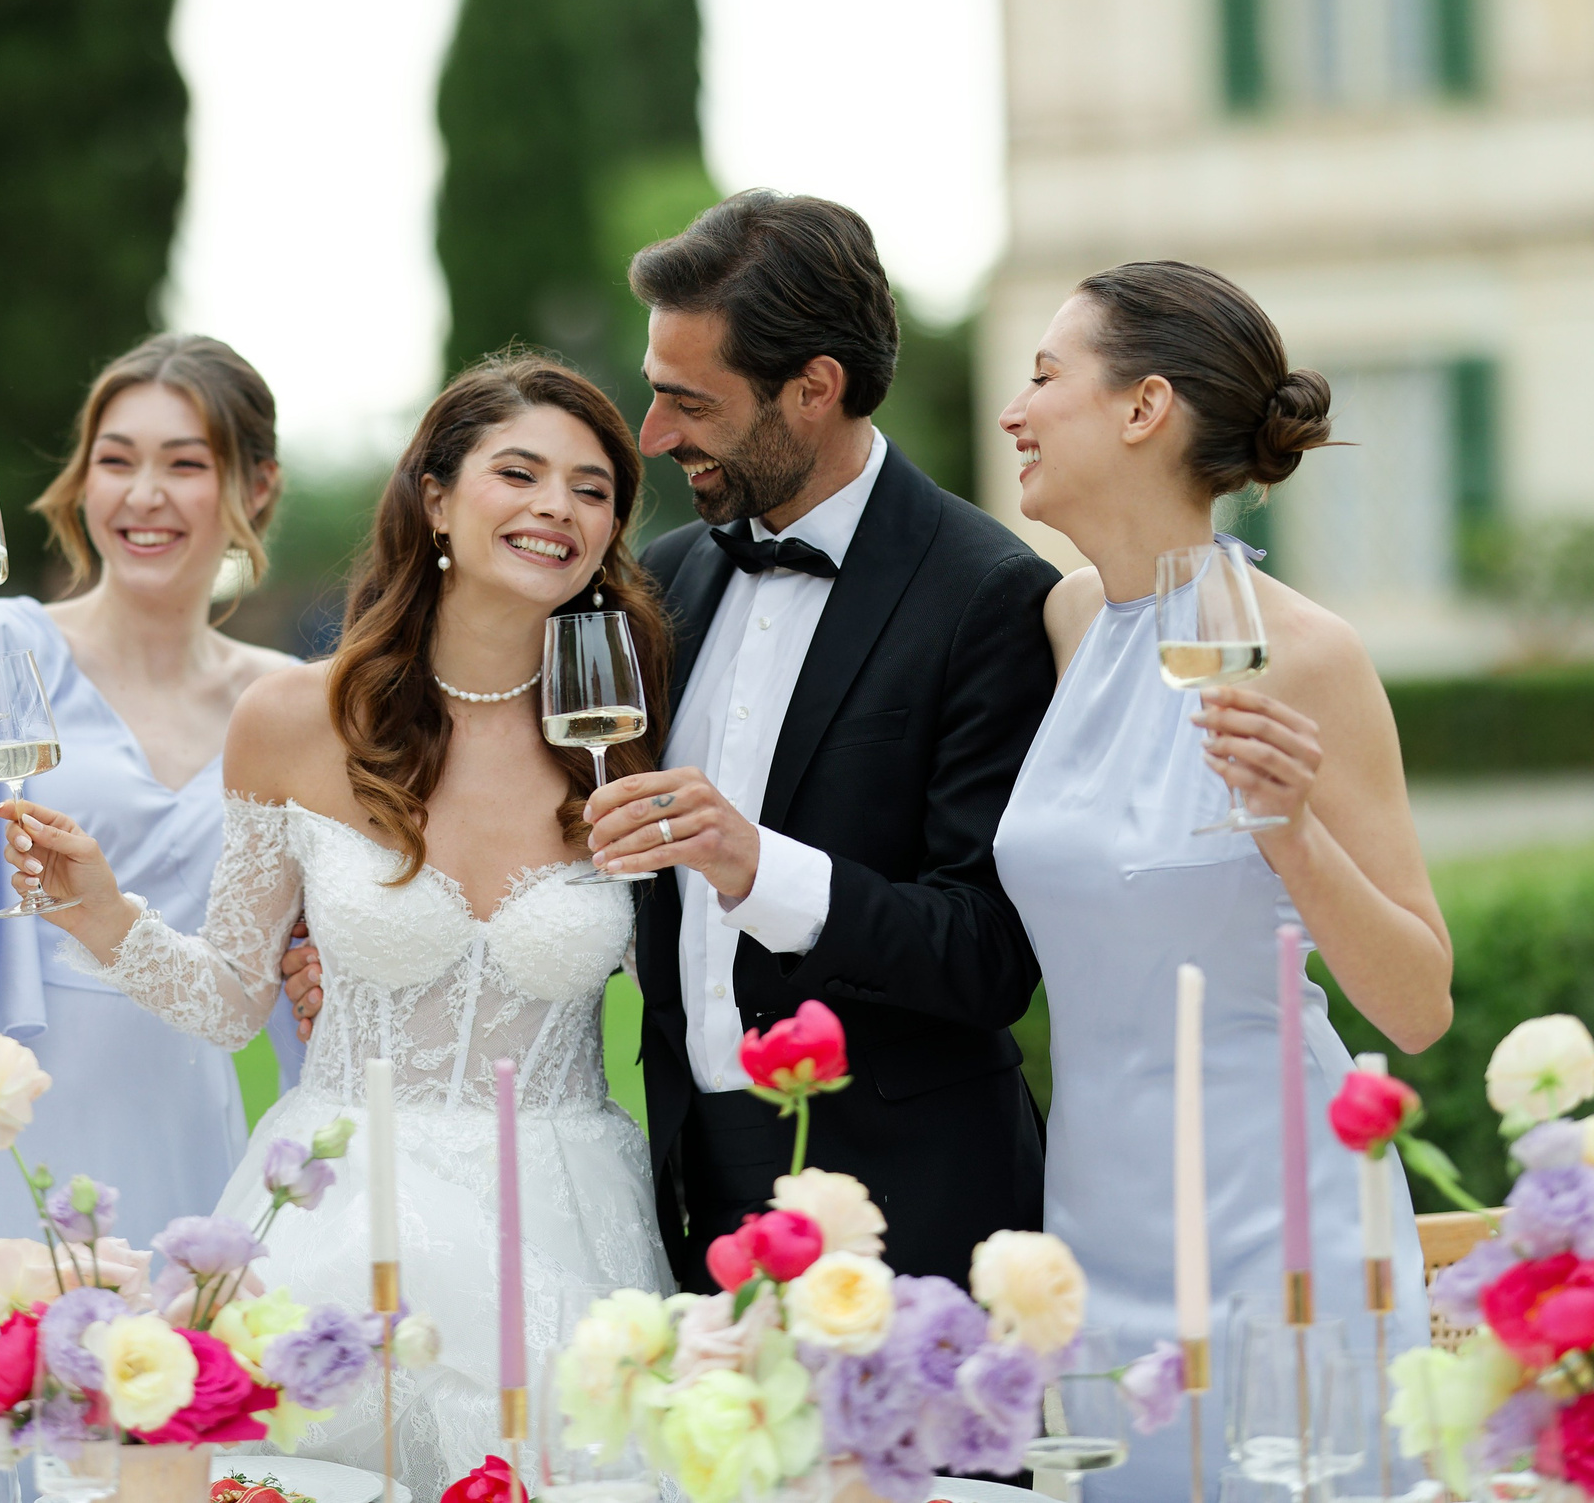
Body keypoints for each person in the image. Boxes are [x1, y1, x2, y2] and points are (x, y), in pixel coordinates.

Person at [289, 191, 1060, 1292]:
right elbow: (511, 807)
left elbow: (989, 958)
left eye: (685, 402)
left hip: (904, 1202)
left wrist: (761, 868)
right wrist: (360, 947)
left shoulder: (985, 595)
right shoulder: (660, 587)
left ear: (813, 390)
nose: (653, 437)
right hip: (673, 1183)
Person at [10, 354, 676, 1495]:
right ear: (434, 499)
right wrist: (108, 916)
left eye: (592, 489)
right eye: (518, 473)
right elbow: (229, 999)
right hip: (336, 1210)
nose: (556, 508)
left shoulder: (632, 727)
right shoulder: (291, 719)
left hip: (568, 1217)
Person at [991, 262, 1446, 1503]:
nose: (1012, 412)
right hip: (1090, 1235)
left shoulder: (1306, 655)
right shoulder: (1069, 622)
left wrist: (1290, 828)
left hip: (1278, 1239)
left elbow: (1417, 1004)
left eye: (1042, 377)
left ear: (1142, 409)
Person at [0, 335, 298, 1503]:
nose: (143, 494)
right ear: (79, 483)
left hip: (183, 1142)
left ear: (252, 487)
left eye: (184, 462)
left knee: (164, 1469)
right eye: (114, 459)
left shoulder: (291, 702)